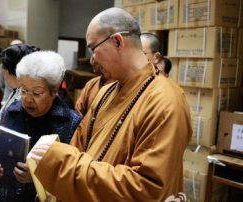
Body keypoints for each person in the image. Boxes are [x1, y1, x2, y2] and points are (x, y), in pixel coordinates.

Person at [30, 8, 192, 201]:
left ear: (117, 41)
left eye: (93, 48)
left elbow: (146, 189)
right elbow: (79, 146)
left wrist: (59, 164)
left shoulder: (165, 101)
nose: (92, 60)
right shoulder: (106, 91)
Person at [0, 51, 82, 202]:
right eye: (23, 91)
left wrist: (37, 176)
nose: (27, 99)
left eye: (36, 93)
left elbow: (75, 176)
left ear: (54, 92)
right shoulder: (12, 111)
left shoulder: (70, 123)